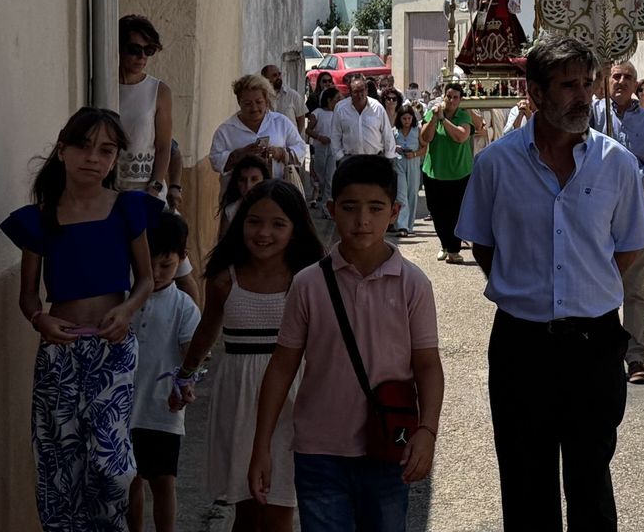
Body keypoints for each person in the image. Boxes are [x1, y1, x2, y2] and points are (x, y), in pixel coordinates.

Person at [456, 36, 644, 531]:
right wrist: (527, 285)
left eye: (588, 83)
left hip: (594, 345)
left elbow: (630, 246)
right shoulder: (495, 165)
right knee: (525, 487)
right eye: (568, 85)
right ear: (537, 93)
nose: (583, 95)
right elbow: (483, 244)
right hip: (521, 346)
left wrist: (589, 280)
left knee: (591, 482)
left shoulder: (617, 164)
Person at [251, 154, 444, 531]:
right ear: (331, 210)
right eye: (351, 208)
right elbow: (282, 366)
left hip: (389, 446)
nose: (362, 220)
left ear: (395, 211)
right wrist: (261, 445)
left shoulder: (412, 283)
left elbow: (427, 364)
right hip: (319, 452)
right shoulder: (308, 283)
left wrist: (428, 431)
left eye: (375, 208)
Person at [0, 107, 160, 531]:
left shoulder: (129, 208)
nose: (94, 157)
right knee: (59, 467)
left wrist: (126, 311)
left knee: (112, 468)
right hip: (59, 355)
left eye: (106, 150)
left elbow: (145, 279)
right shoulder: (39, 219)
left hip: (113, 351)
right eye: (84, 147)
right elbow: (28, 295)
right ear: (63, 151)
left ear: (115, 160)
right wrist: (39, 321)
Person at [175, 180, 324, 532]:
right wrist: (185, 375)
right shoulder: (226, 279)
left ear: (296, 228)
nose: (263, 232)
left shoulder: (307, 279)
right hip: (239, 398)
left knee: (280, 508)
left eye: (278, 224)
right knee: (245, 506)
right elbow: (207, 330)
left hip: (292, 397)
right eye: (254, 221)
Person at [590, 61, 644, 384]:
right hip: (596, 209)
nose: (621, 81)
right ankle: (599, 352)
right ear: (608, 81)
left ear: (637, 84)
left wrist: (630, 177)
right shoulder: (593, 114)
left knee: (636, 288)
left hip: (638, 207)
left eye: (628, 77)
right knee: (595, 282)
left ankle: (635, 356)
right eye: (616, 76)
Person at [128, 211, 202, 532]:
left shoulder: (183, 306)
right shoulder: (123, 299)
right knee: (130, 481)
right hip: (124, 409)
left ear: (182, 260)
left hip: (161, 410)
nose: (156, 273)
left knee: (163, 482)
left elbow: (191, 354)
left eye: (166, 265)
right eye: (149, 263)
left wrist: (186, 384)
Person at [423, 82, 482, 264]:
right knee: (437, 211)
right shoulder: (432, 113)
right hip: (434, 172)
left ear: (460, 100)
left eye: (456, 97)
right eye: (449, 96)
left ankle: (454, 249)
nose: (452, 100)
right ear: (443, 97)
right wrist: (434, 118)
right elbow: (425, 138)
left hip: (459, 173)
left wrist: (443, 120)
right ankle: (444, 245)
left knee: (455, 212)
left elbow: (460, 137)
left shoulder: (463, 115)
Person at [210, 75, 308, 183]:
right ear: (239, 102)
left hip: (275, 194)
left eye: (259, 102)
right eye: (248, 104)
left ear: (266, 101)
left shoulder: (281, 122)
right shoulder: (226, 130)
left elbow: (301, 149)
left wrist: (280, 153)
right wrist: (240, 154)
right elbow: (215, 161)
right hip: (238, 197)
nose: (254, 108)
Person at [118, 14, 173, 200]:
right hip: (108, 192)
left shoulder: (159, 91)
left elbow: (164, 146)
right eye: (134, 49)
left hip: (145, 190)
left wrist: (155, 188)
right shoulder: (101, 86)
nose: (142, 57)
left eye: (149, 50)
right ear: (119, 48)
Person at [264, 64, 310, 196]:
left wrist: (292, 138)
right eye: (273, 76)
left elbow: (301, 119)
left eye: (279, 74)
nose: (278, 77)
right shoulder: (263, 98)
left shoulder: (293, 96)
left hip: (289, 154)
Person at [334, 76, 396, 161]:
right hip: (350, 161)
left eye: (362, 91)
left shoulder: (377, 107)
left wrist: (389, 157)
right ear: (350, 92)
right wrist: (340, 157)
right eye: (355, 92)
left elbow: (387, 134)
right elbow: (335, 135)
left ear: (366, 90)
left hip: (374, 160)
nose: (359, 95)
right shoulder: (341, 109)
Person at [391, 105, 424, 238]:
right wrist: (395, 147)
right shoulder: (395, 131)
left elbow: (425, 148)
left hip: (413, 163)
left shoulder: (418, 130)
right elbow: (388, 148)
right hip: (399, 164)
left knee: (412, 194)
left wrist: (415, 153)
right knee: (401, 194)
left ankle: (409, 225)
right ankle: (402, 225)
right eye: (404, 118)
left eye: (409, 118)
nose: (406, 121)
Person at [220, 157, 274, 238]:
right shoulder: (231, 211)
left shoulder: (275, 208)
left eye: (254, 179)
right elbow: (223, 245)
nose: (248, 186)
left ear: (264, 180)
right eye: (243, 180)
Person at [309, 86, 341, 207]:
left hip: (333, 149)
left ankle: (327, 206)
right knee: (320, 175)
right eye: (337, 98)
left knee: (330, 178)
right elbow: (308, 130)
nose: (339, 101)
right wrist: (319, 137)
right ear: (329, 100)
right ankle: (320, 195)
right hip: (320, 148)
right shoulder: (317, 113)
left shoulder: (338, 114)